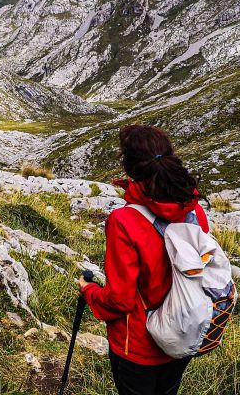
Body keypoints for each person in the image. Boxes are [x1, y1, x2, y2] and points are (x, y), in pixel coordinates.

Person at [78, 124, 209, 395]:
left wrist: (89, 291)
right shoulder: (194, 211)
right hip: (183, 335)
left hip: (137, 346)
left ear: (130, 167)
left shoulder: (124, 221)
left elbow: (121, 300)